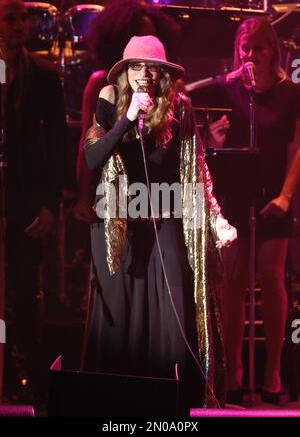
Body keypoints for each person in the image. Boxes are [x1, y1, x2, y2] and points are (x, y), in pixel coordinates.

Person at [80, 34, 237, 412]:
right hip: (118, 224)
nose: (145, 74)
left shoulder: (179, 108)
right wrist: (128, 118)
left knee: (172, 313)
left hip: (164, 218)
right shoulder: (108, 101)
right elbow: (92, 158)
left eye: (153, 68)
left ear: (164, 74)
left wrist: (214, 218)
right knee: (122, 324)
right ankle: (116, 406)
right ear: (124, 72)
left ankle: (172, 405)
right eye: (137, 67)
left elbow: (196, 169)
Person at [199, 18, 300, 404]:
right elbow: (208, 145)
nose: (251, 54)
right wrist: (212, 138)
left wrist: (287, 196)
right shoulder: (228, 90)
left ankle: (273, 371)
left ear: (273, 49)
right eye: (245, 47)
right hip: (235, 196)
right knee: (233, 284)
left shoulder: (290, 94)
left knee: (272, 279)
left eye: (258, 47)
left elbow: (296, 149)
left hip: (273, 195)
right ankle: (235, 372)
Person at [0, 0, 66, 403]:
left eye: (22, 18)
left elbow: (57, 144)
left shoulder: (42, 73)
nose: (20, 25)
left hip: (24, 201)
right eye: (10, 19)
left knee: (25, 293)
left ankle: (31, 385)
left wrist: (49, 203)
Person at [73, 0, 181, 223]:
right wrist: (83, 198)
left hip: (154, 195)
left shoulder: (165, 88)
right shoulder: (100, 85)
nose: (147, 45)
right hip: (112, 192)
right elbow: (88, 139)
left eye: (153, 38)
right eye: (139, 38)